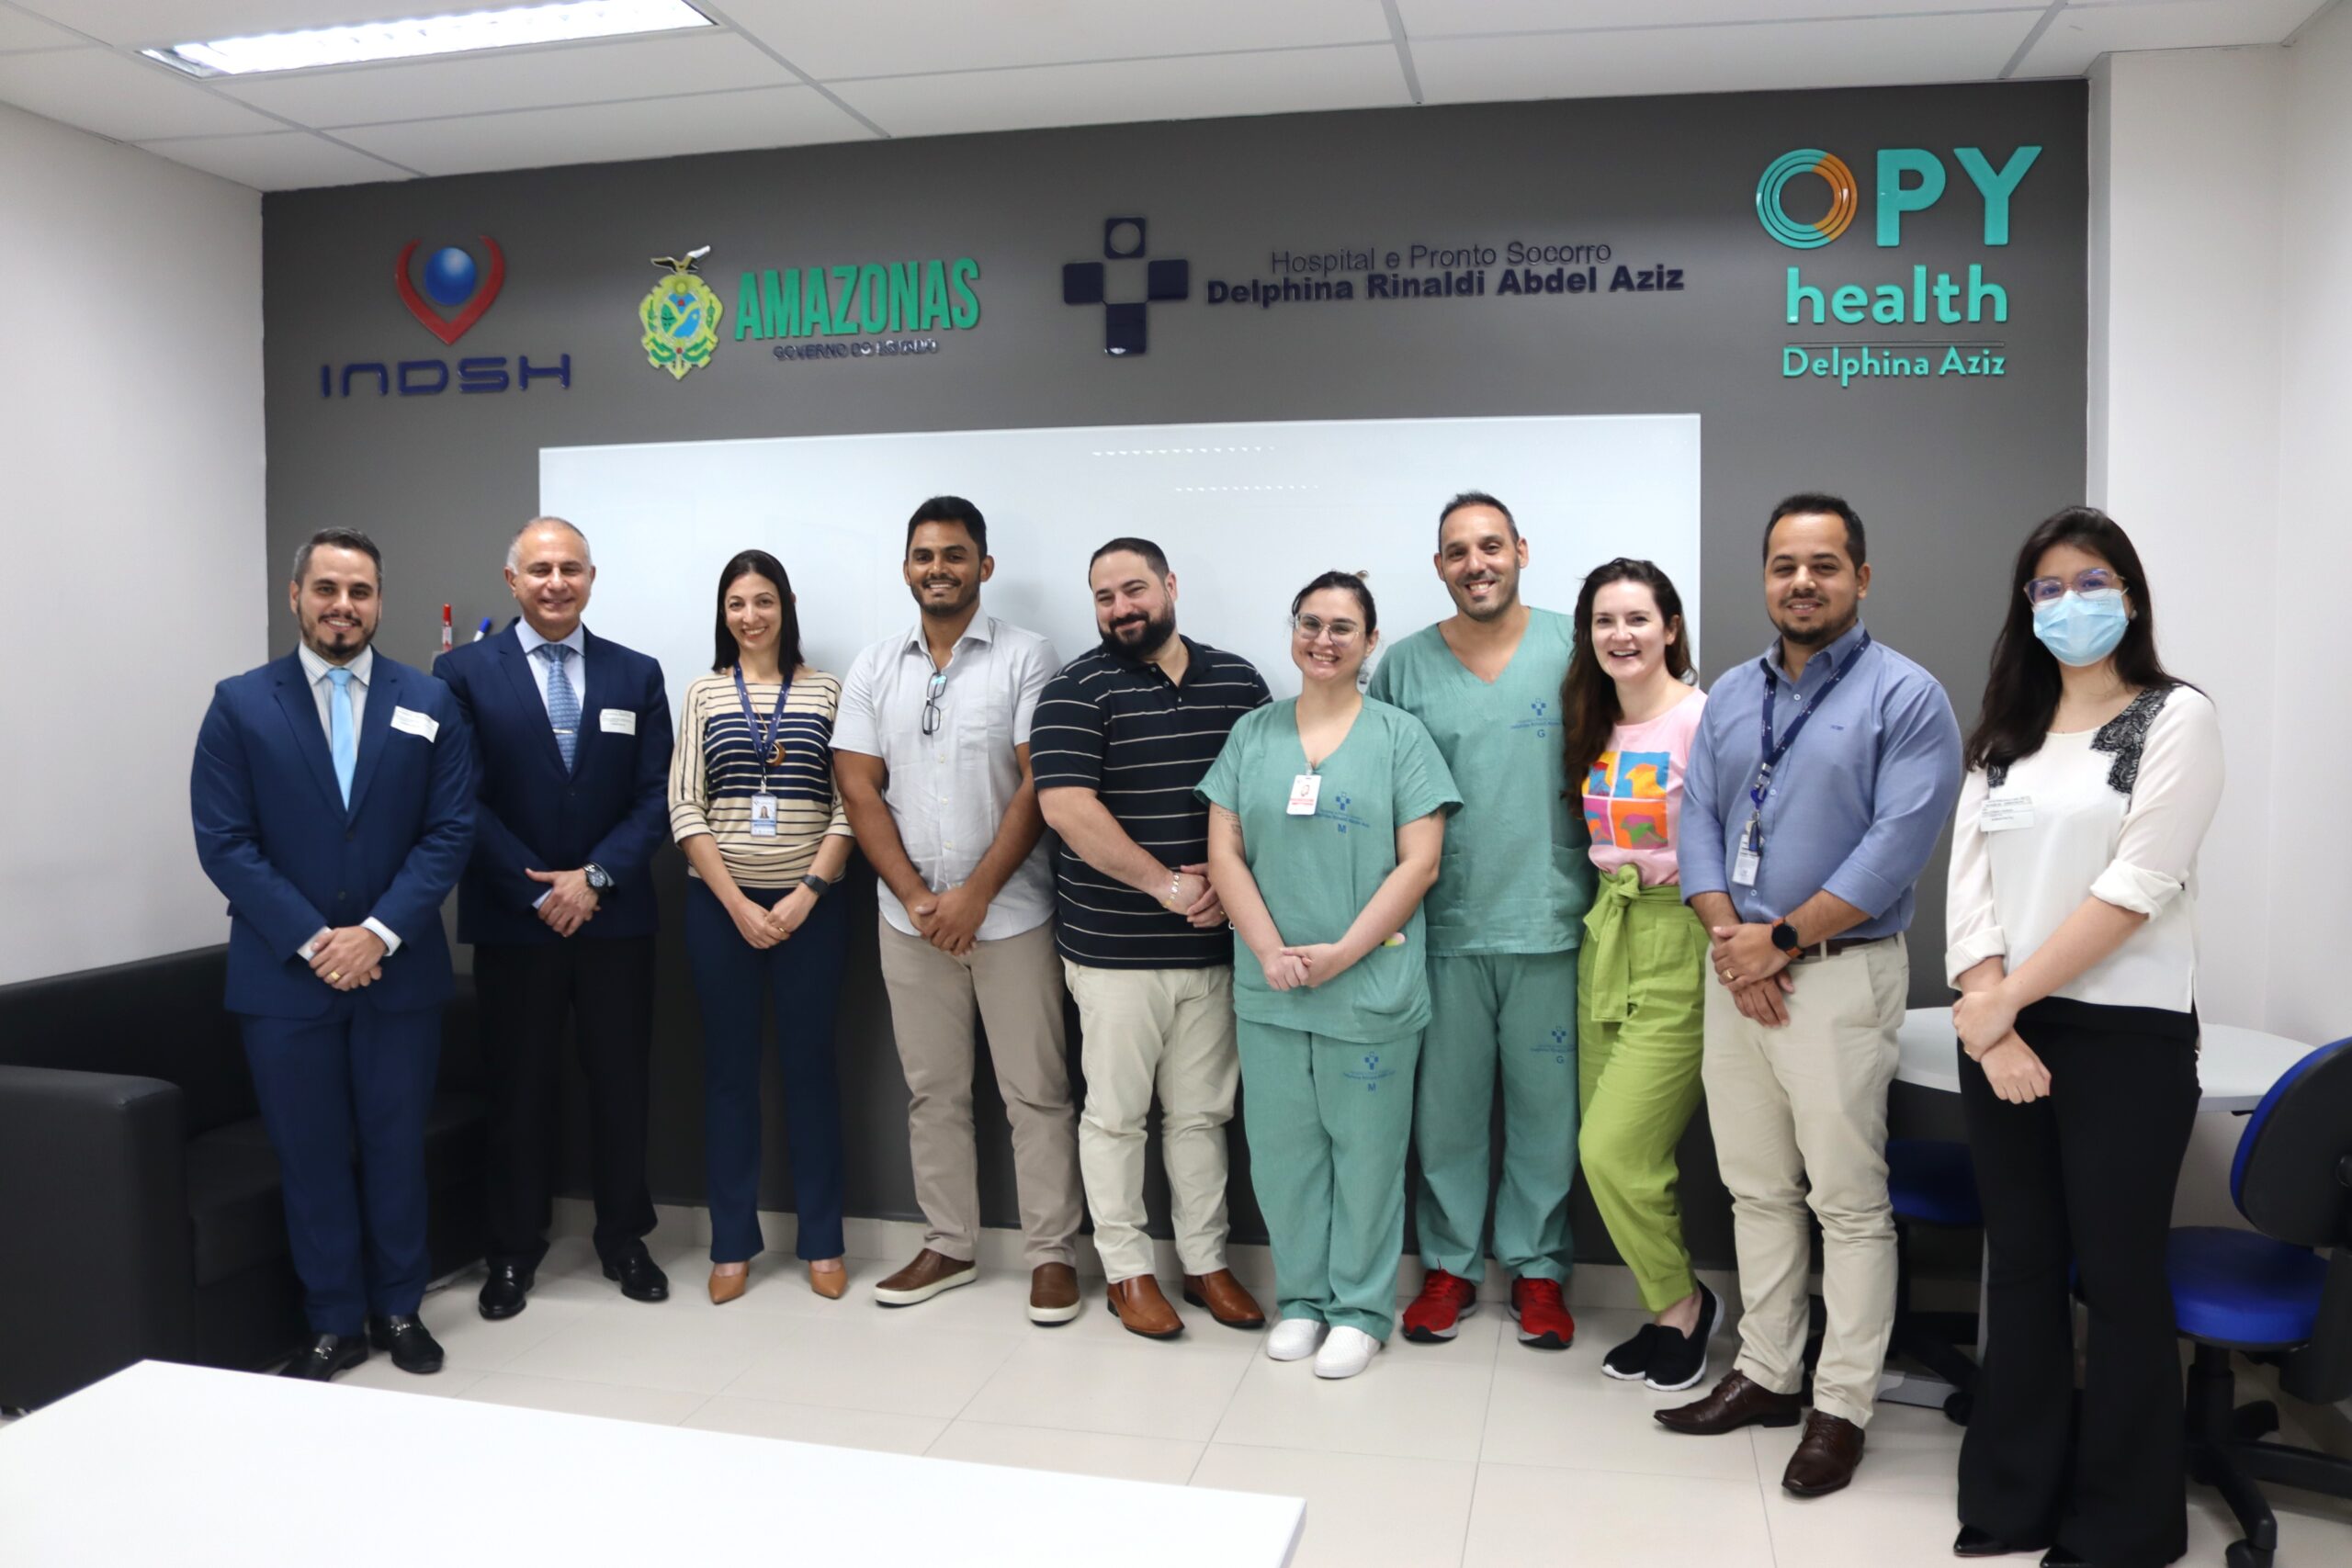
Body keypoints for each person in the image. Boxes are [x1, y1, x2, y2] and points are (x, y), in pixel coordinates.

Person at [1657, 493, 1962, 1500]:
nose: (1802, 582)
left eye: (1824, 565)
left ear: (1860, 578)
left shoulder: (1906, 696)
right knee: (1755, 1188)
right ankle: (1766, 1374)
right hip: (1737, 974)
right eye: (1784, 564)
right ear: (1764, 578)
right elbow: (1697, 819)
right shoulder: (1732, 695)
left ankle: (1841, 1407)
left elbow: (1894, 849)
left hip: (1834, 976)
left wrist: (1779, 940)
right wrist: (1732, 942)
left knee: (1848, 1203)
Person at [1944, 508, 2220, 1567]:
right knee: (2019, 1265)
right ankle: (2012, 1498)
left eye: (2091, 580)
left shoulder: (2175, 717)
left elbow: (2137, 886)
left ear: (2130, 596)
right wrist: (1990, 1014)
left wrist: (2002, 1003)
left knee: (2117, 1274)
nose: (2070, 602)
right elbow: (1967, 888)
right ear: (2026, 607)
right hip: (2001, 1026)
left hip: (2125, 1036)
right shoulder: (2002, 738)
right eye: (2047, 587)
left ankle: (2124, 1526)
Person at [190, 527, 473, 1381]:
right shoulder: (240, 704)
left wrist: (376, 933)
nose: (342, 606)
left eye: (359, 591)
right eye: (326, 589)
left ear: (380, 601)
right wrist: (318, 941)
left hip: (398, 971)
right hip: (285, 978)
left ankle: (400, 1308)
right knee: (309, 1156)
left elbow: (449, 830)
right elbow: (225, 842)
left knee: (396, 1148)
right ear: (296, 596)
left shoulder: (431, 699)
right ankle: (333, 1322)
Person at [1199, 571, 1459, 1380]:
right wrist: (1269, 949)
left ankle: (1360, 1309)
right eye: (1309, 623)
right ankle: (1303, 1300)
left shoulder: (1400, 738)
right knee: (1285, 1156)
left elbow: (1420, 864)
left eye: (1343, 626)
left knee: (1369, 1157)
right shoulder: (1253, 733)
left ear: (1370, 640)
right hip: (1271, 984)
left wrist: (1342, 953)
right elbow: (1224, 852)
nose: (1323, 639)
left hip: (1369, 984)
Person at [834, 497, 1086, 1325]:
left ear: (984, 565)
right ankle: (949, 1242)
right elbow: (859, 786)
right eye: (924, 555)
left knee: (1036, 1093)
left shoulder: (1027, 656)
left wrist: (974, 894)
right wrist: (917, 895)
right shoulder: (876, 665)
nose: (937, 568)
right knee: (932, 1091)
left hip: (1010, 915)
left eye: (953, 554)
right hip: (909, 922)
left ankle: (1051, 1254)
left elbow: (1038, 781)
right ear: (906, 567)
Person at [432, 517, 674, 1319]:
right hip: (516, 920)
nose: (556, 582)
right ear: (513, 581)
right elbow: (458, 798)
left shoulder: (636, 673)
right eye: (540, 570)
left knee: (622, 1087)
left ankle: (625, 1240)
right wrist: (539, 890)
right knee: (518, 1091)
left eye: (571, 568)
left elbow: (656, 796)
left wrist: (594, 878)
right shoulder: (462, 673)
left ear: (592, 578)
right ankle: (511, 1250)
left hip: (615, 920)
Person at [1034, 538, 1270, 1339]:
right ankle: (1128, 1272)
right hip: (1114, 952)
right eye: (1104, 597)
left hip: (1214, 948)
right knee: (1116, 1119)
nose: (1120, 608)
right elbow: (1067, 807)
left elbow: (1260, 793)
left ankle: (1205, 1263)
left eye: (1134, 589)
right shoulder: (1074, 689)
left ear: (1170, 584)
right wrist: (1167, 885)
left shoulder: (1238, 681)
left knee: (1202, 1116)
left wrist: (1227, 886)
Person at [1370, 492, 1587, 1351]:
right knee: (1447, 1116)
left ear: (1521, 550)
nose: (1476, 563)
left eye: (1491, 545)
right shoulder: (1405, 668)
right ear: (1439, 567)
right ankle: (1450, 1267)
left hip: (1551, 920)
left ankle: (1539, 1269)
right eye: (1457, 551)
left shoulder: (1577, 647)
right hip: (1444, 927)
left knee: (1547, 1115)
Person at [670, 551, 855, 1304]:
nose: (751, 616)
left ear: (788, 605)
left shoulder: (828, 691)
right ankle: (730, 1244)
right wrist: (737, 903)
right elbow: (685, 804)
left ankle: (824, 1240)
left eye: (765, 601)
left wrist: (807, 892)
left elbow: (851, 806)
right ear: (724, 613)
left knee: (812, 1072)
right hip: (722, 910)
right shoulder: (704, 693)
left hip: (813, 908)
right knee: (728, 1076)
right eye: (737, 603)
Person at [1560, 558, 1720, 1391]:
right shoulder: (1592, 720)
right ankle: (1670, 1308)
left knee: (1614, 1146)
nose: (1620, 635)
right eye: (1604, 620)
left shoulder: (1703, 718)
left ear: (1670, 628)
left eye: (1637, 618)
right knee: (1613, 1153)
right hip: (1606, 935)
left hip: (1680, 937)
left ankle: (1685, 1301)